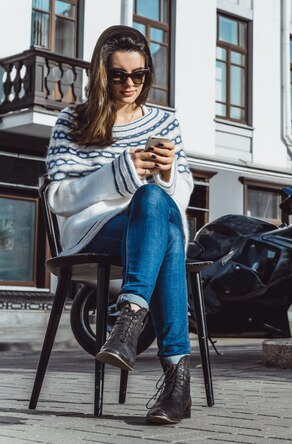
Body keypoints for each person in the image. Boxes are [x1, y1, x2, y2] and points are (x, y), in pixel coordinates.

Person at [45, 25, 194, 424]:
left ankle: (127, 325)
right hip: (94, 231)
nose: (130, 83)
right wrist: (120, 172)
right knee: (162, 229)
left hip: (153, 230)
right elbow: (59, 198)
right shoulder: (73, 121)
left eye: (139, 74)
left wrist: (168, 174)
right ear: (101, 73)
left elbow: (180, 196)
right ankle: (178, 383)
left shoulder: (165, 123)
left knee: (153, 201)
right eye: (119, 75)